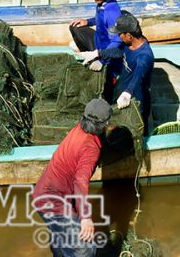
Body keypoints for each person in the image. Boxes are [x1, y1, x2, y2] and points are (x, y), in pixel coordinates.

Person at [31, 98, 111, 257]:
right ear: (105, 124)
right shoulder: (90, 148)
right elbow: (80, 181)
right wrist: (86, 218)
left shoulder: (79, 129)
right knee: (85, 250)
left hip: (42, 194)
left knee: (61, 238)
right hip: (53, 201)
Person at [95, 12, 154, 125]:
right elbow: (119, 51)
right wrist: (98, 53)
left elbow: (138, 76)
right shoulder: (130, 44)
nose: (118, 37)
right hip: (118, 93)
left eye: (120, 34)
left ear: (129, 35)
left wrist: (127, 93)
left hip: (134, 104)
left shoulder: (144, 57)